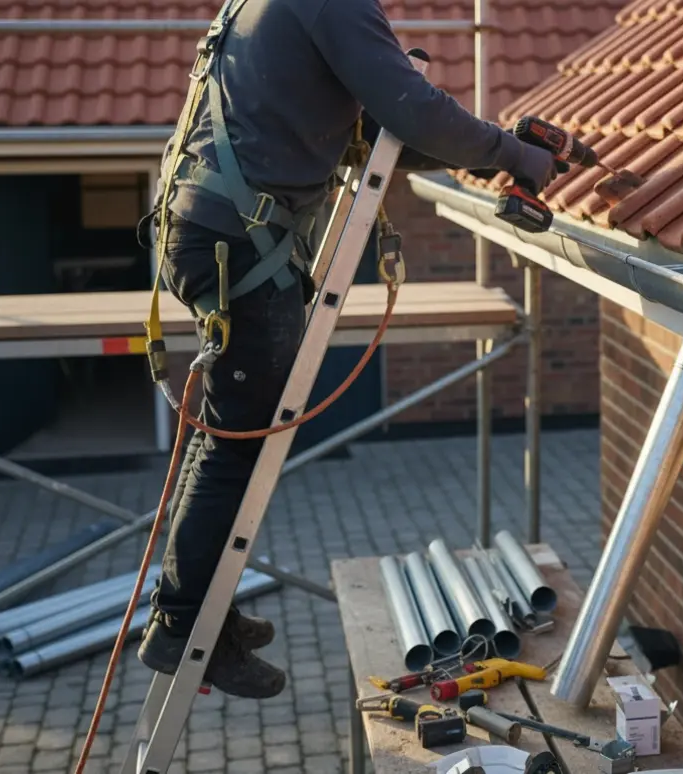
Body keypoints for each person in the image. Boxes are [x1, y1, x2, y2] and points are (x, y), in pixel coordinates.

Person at [137, 0, 559, 699]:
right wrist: (513, 155)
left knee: (227, 436)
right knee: (239, 440)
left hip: (216, 228)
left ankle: (198, 608)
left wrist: (495, 148)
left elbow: (377, 128)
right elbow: (412, 108)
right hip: (238, 240)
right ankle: (184, 625)